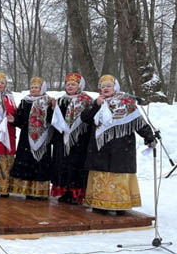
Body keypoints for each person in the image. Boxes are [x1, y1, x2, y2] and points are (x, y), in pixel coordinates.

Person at [81, 75, 154, 213]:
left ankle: (121, 205)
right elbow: (85, 118)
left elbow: (138, 122)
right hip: (100, 148)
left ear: (116, 87)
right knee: (101, 174)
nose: (105, 88)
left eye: (109, 85)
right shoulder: (97, 102)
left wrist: (149, 136)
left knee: (119, 174)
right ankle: (99, 204)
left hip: (121, 147)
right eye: (103, 86)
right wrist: (96, 105)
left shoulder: (126, 102)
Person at [50, 73, 94, 204]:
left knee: (76, 165)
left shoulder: (87, 101)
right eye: (68, 84)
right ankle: (65, 191)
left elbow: (90, 119)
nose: (70, 86)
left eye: (73, 84)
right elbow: (53, 120)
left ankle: (76, 193)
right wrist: (52, 108)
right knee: (62, 165)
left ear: (79, 85)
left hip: (79, 139)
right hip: (62, 138)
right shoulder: (61, 100)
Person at [9, 77, 54, 200]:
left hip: (42, 136)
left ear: (42, 89)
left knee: (39, 162)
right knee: (26, 161)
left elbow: (52, 119)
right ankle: (26, 189)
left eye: (36, 88)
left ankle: (39, 191)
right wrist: (13, 120)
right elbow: (20, 119)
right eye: (32, 87)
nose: (33, 90)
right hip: (26, 137)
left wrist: (53, 109)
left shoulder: (48, 101)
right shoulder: (25, 101)